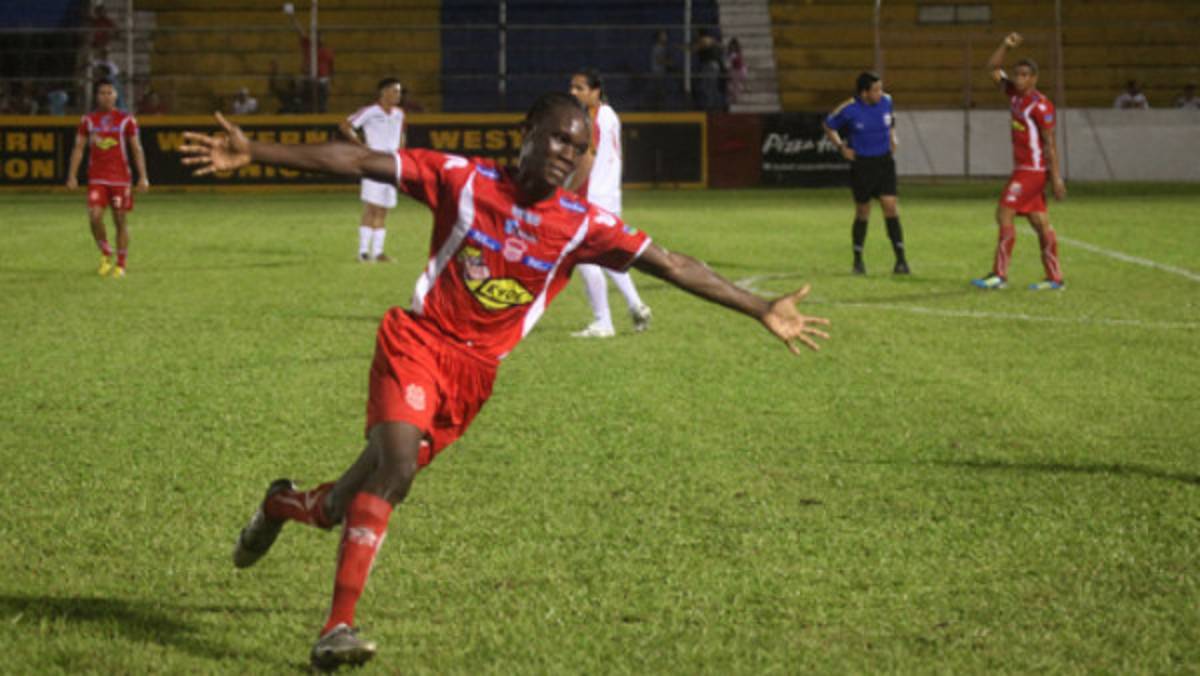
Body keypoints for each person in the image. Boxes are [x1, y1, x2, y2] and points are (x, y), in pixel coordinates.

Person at [178, 93, 830, 670]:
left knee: (339, 506)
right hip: (417, 343)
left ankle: (281, 503)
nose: (566, 153)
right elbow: (357, 163)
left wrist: (760, 307)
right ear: (525, 132)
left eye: (578, 147)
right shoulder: (461, 179)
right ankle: (335, 631)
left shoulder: (581, 224)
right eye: (557, 137)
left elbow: (673, 264)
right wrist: (256, 150)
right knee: (396, 471)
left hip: (473, 379)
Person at [972, 33, 1067, 291]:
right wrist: (1005, 45)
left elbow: (1049, 143)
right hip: (1024, 169)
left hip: (1032, 171)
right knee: (1039, 222)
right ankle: (1055, 278)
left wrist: (1056, 177)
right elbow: (992, 68)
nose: (1019, 78)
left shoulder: (1041, 106)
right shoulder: (1014, 94)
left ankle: (999, 275)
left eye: (1025, 75)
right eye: (1017, 74)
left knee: (1004, 212)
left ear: (1034, 78)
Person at [566, 69, 652, 337]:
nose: (574, 92)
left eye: (580, 88)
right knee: (607, 255)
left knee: (583, 257)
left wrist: (567, 191)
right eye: (572, 87)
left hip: (591, 196)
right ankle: (636, 304)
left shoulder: (592, 118)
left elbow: (588, 158)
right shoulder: (610, 114)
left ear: (595, 91)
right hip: (610, 196)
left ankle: (603, 322)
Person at [822, 71, 910, 276]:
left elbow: (891, 122)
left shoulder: (887, 101)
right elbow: (828, 125)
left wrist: (893, 137)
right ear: (864, 93)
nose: (881, 93)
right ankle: (858, 260)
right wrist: (841, 147)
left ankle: (901, 260)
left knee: (890, 207)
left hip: (884, 162)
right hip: (862, 165)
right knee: (863, 211)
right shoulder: (849, 109)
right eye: (876, 90)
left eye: (881, 88)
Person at [66, 79, 150, 278]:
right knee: (94, 216)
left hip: (121, 178)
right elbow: (78, 148)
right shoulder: (88, 120)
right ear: (96, 96)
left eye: (109, 92)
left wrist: (143, 177)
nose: (106, 96)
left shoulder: (126, 119)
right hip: (97, 177)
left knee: (120, 219)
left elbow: (136, 148)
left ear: (116, 95)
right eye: (102, 92)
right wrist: (72, 175)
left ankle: (121, 263)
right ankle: (105, 251)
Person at [338, 77, 406, 263]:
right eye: (394, 91)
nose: (398, 95)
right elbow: (345, 125)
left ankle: (378, 252)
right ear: (383, 92)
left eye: (399, 92)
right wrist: (361, 146)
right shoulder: (370, 112)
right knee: (371, 207)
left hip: (391, 163)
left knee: (383, 209)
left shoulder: (399, 114)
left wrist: (401, 153)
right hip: (374, 162)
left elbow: (401, 136)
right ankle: (362, 252)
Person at [287, 9, 334, 113]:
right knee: (305, 100)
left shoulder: (328, 51)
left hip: (321, 81)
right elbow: (299, 31)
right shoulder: (309, 45)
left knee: (321, 105)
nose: (319, 38)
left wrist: (329, 81)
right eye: (317, 36)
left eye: (321, 36)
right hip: (309, 80)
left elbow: (331, 68)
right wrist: (292, 17)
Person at [725, 37, 748, 105]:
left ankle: (735, 97)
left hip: (739, 70)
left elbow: (735, 62)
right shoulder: (732, 53)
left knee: (736, 85)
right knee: (733, 85)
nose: (733, 47)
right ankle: (734, 97)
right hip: (735, 70)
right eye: (732, 45)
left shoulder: (736, 53)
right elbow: (729, 62)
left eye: (734, 46)